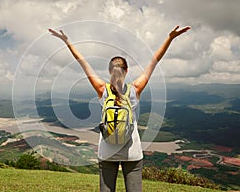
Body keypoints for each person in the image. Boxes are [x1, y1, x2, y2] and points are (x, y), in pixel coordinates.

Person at [49, 25, 191, 192]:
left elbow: (82, 63)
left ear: (109, 71)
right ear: (127, 71)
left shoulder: (102, 89)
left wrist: (67, 42)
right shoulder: (135, 89)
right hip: (132, 153)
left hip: (107, 153)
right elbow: (154, 61)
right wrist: (170, 38)